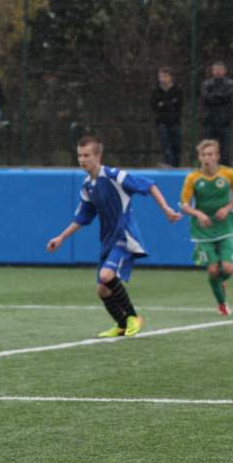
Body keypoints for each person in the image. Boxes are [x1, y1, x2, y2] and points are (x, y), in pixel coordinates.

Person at [46, 136, 182, 337]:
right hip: (107, 240)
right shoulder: (87, 186)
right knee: (102, 290)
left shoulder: (114, 175)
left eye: (87, 155)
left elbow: (148, 185)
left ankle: (133, 317)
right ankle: (121, 324)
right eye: (79, 155)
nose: (82, 160)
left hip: (124, 235)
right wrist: (61, 237)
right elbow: (82, 218)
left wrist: (166, 208)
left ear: (98, 156)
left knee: (106, 276)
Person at [179, 139, 233, 316]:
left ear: (217, 156)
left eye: (210, 154)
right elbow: (184, 205)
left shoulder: (229, 174)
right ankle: (221, 303)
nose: (207, 158)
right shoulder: (192, 178)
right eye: (203, 155)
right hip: (203, 230)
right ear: (199, 157)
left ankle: (218, 282)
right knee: (213, 269)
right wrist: (199, 214)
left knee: (227, 269)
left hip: (225, 228)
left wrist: (227, 208)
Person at [200, 61, 233, 165]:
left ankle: (225, 167)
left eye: (220, 70)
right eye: (216, 69)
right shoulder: (206, 84)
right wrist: (219, 97)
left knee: (225, 147)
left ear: (224, 71)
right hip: (210, 120)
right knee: (208, 147)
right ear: (212, 71)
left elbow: (228, 97)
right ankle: (208, 166)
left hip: (224, 120)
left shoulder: (230, 83)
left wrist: (215, 96)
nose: (218, 72)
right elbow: (206, 98)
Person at [150, 67, 184, 167]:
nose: (163, 79)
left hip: (175, 122)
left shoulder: (177, 90)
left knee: (177, 146)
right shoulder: (156, 91)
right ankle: (169, 165)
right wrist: (169, 104)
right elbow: (155, 106)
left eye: (165, 76)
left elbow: (179, 105)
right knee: (165, 145)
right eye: (161, 77)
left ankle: (176, 166)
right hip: (162, 122)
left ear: (170, 77)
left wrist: (164, 104)